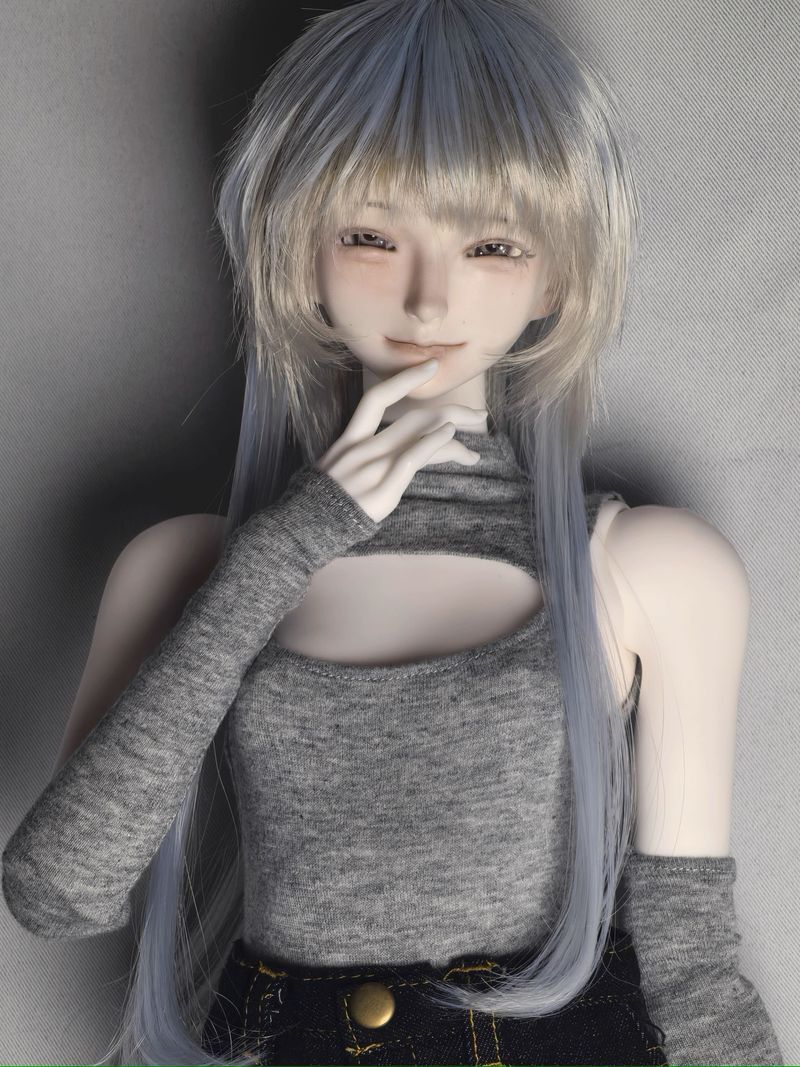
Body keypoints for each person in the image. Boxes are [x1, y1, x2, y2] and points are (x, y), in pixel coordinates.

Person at [1, 0, 784, 1064]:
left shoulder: (646, 566)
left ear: (555, 273)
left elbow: (690, 960)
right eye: (371, 236)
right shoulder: (192, 564)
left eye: (491, 244)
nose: (428, 296)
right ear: (300, 249)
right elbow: (59, 889)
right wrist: (288, 544)